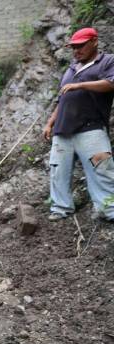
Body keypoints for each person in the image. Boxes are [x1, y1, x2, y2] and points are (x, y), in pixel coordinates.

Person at [44, 27, 114, 222]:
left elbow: (111, 83)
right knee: (58, 171)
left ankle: (110, 211)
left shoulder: (107, 61)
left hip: (91, 128)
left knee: (102, 169)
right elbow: (62, 99)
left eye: (81, 46)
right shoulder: (71, 68)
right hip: (62, 130)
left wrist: (80, 85)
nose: (76, 51)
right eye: (73, 47)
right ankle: (61, 208)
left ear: (94, 42)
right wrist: (50, 123)